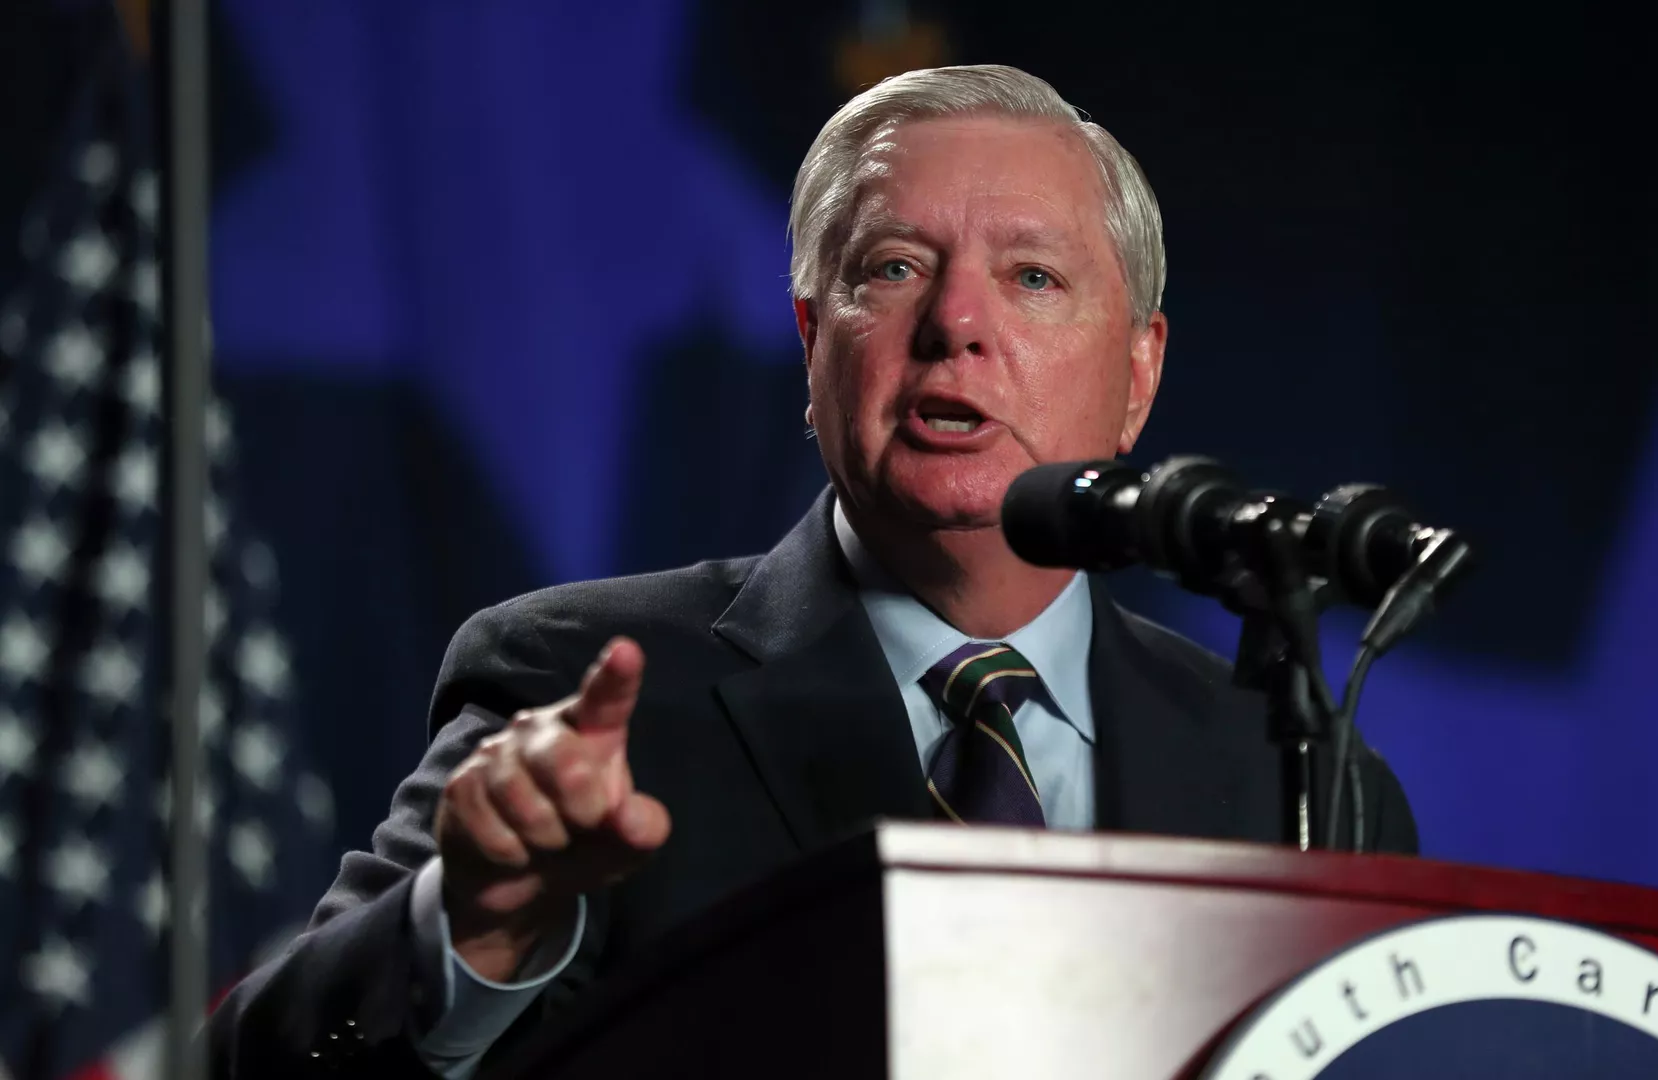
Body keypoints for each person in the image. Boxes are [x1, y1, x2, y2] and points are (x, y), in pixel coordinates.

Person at [205, 64, 1418, 1078]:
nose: (956, 324)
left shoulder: (1295, 778)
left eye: (1033, 278)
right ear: (811, 340)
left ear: (1139, 374)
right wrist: (473, 930)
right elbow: (264, 1063)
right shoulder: (577, 687)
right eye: (893, 267)